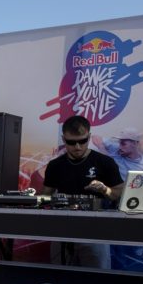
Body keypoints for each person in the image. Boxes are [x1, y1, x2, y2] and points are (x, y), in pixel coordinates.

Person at [42, 115, 124, 269]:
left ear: (90, 137)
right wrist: (52, 200)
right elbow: (44, 196)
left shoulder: (105, 162)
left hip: (95, 231)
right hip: (62, 231)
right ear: (63, 139)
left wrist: (105, 189)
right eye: (71, 142)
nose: (77, 147)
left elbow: (119, 193)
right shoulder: (55, 165)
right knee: (59, 278)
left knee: (96, 280)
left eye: (83, 141)